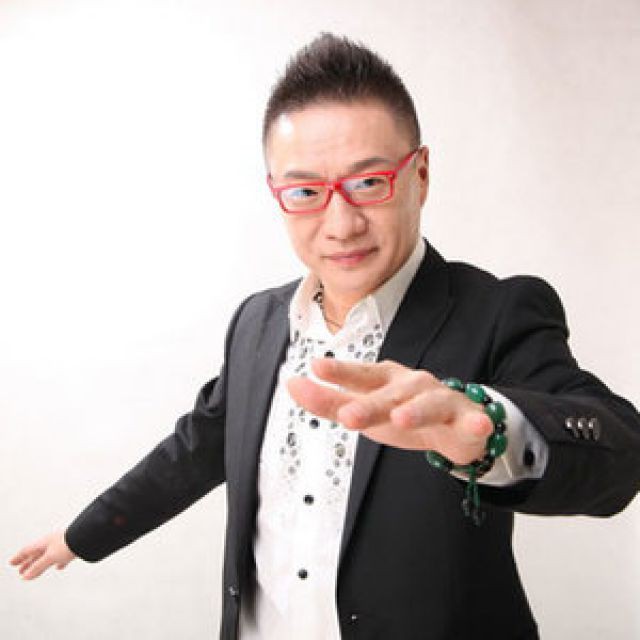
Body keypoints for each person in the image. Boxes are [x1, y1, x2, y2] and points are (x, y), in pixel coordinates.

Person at [10, 33, 640, 640]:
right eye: (307, 191)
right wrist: (81, 536)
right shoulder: (257, 323)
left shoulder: (496, 312)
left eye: (368, 182)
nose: (340, 224)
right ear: (277, 194)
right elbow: (197, 448)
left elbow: (620, 453)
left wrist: (492, 429)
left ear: (420, 175)